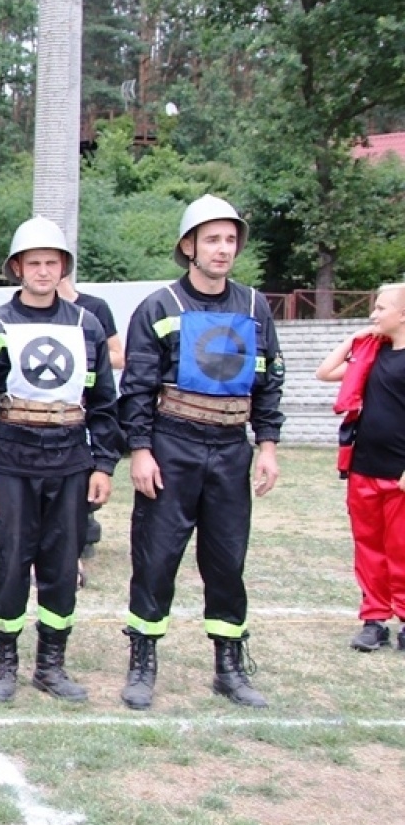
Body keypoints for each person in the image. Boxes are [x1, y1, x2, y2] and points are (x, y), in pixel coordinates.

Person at [119, 194, 283, 710]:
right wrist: (141, 451)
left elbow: (269, 381)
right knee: (156, 558)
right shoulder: (160, 306)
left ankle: (229, 665)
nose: (223, 248)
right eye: (212, 238)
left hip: (231, 449)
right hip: (174, 446)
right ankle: (143, 660)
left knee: (227, 560)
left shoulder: (255, 306)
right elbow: (138, 387)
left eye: (230, 239)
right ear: (188, 245)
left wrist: (268, 446)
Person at [0, 218, 121, 703]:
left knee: (60, 565)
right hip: (11, 461)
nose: (43, 271)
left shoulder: (87, 325)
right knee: (8, 564)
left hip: (70, 463)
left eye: (52, 262)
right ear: (17, 267)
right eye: (34, 262)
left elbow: (104, 401)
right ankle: (3, 665)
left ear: (64, 268)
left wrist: (103, 464)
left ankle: (51, 665)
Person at [316, 283, 405, 652]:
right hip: (364, 468)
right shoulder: (371, 352)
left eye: (381, 308)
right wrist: (354, 337)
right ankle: (373, 619)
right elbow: (326, 372)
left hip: (398, 474)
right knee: (368, 547)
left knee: (400, 548)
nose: (374, 315)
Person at [59, 273, 126, 576]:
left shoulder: (94, 309)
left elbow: (118, 355)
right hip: (41, 417)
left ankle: (74, 554)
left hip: (84, 410)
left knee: (79, 486)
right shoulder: (23, 311)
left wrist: (80, 362)